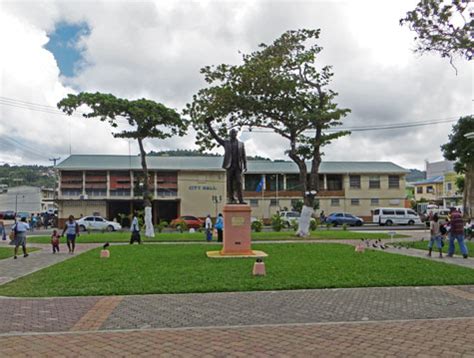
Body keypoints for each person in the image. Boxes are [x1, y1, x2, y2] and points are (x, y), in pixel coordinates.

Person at [205, 117, 247, 204]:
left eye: (234, 133)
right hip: (229, 166)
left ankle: (240, 200)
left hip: (238, 166)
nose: (232, 135)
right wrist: (209, 126)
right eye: (231, 133)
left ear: (236, 134)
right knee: (229, 183)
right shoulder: (226, 143)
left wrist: (245, 165)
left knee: (239, 183)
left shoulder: (241, 144)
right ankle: (231, 199)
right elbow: (215, 137)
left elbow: (243, 155)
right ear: (229, 135)